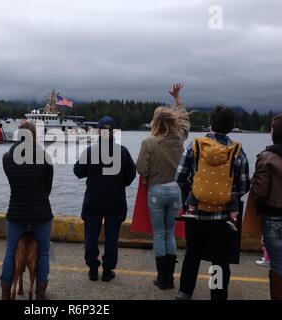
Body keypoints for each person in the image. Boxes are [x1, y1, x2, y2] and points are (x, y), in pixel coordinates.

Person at [175, 106, 250, 300]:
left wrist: (195, 193)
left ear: (211, 123)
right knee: (219, 259)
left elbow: (180, 177)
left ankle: (185, 292)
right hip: (224, 217)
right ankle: (217, 295)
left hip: (196, 212)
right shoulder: (238, 152)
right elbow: (243, 186)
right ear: (231, 127)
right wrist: (226, 196)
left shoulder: (195, 146)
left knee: (193, 253)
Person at [136, 84, 189, 289]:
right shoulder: (179, 138)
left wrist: (150, 174)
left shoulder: (149, 142)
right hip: (177, 191)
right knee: (170, 233)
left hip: (157, 190)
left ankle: (163, 278)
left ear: (155, 122)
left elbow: (141, 168)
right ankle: (171, 278)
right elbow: (185, 119)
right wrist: (178, 99)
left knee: (159, 234)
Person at [74, 116, 136, 282]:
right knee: (111, 237)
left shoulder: (90, 151)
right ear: (113, 132)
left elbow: (78, 172)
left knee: (91, 236)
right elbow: (131, 176)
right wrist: (118, 182)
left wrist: (92, 172)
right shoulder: (122, 151)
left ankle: (93, 269)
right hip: (115, 200)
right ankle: (108, 271)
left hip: (93, 200)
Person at [0, 121, 53, 300]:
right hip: (41, 213)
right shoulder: (45, 158)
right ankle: (40, 293)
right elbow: (47, 189)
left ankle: (6, 293)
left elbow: (13, 183)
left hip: (16, 213)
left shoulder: (7, 158)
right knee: (44, 251)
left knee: (10, 250)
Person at [251, 113, 282, 300]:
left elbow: (260, 191)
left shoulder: (267, 158)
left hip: (275, 218)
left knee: (278, 265)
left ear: (274, 133)